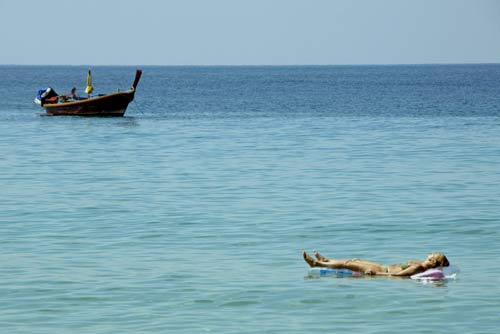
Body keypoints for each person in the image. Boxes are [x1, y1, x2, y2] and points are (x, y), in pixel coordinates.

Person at [303, 250, 449, 276]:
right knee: (355, 260)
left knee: (348, 264)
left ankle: (317, 264)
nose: (428, 253)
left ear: (432, 260)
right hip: (382, 266)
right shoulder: (419, 264)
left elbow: (397, 276)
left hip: (382, 270)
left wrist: (375, 274)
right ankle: (327, 260)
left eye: (431, 254)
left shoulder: (418, 267)